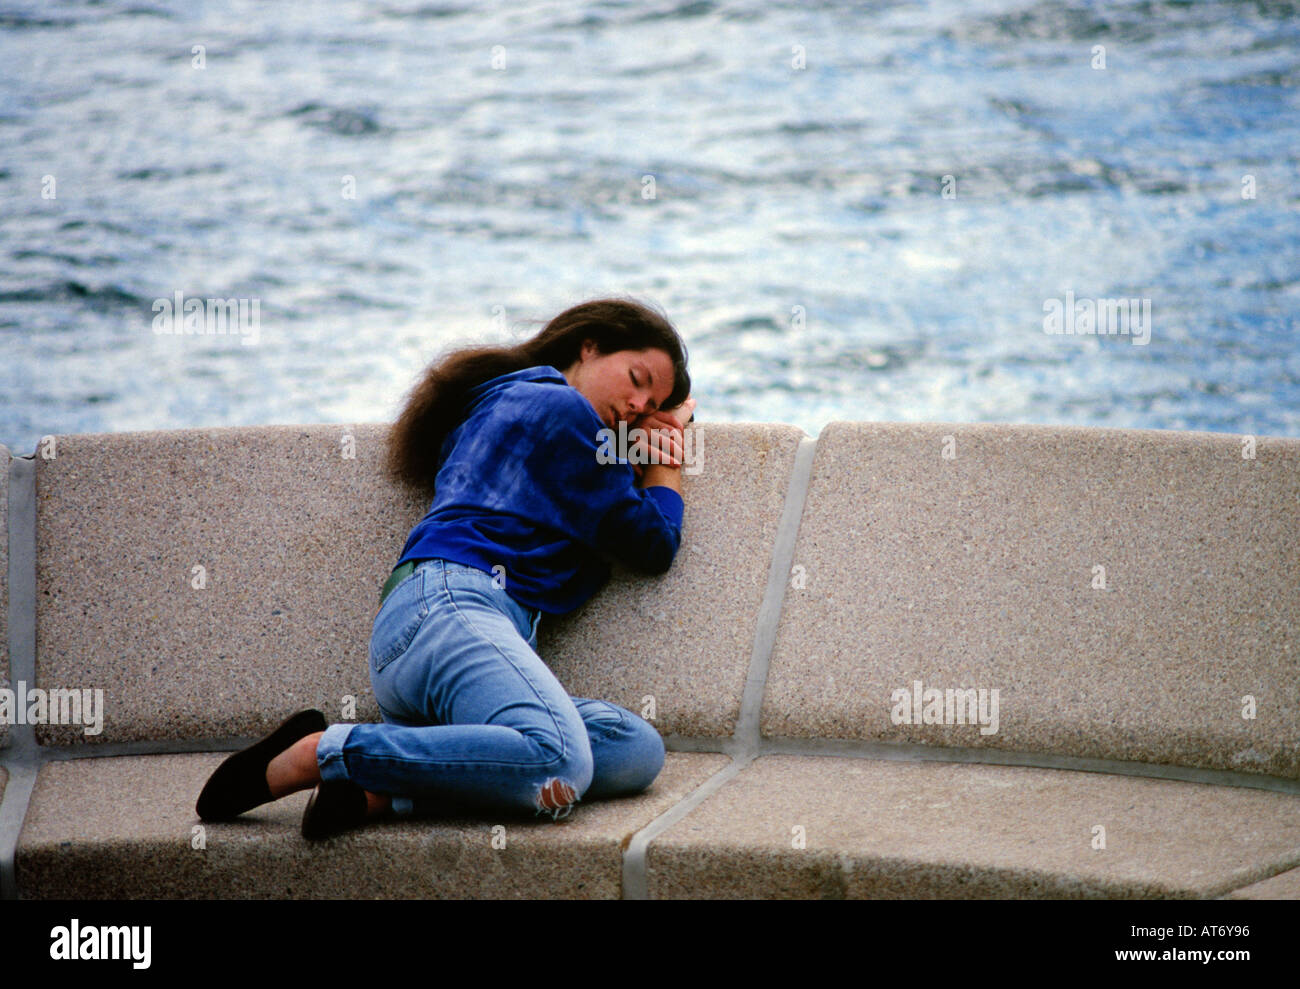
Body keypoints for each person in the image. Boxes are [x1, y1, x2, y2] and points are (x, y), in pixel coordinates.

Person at [196, 297, 695, 839]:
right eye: (637, 379)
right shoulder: (563, 410)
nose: (637, 404)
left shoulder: (508, 401)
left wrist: (634, 440)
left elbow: (596, 486)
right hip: (454, 607)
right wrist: (666, 462)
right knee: (559, 762)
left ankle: (380, 793)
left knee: (634, 750)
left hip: (426, 640)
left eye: (651, 406)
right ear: (590, 345)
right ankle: (321, 752)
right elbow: (651, 543)